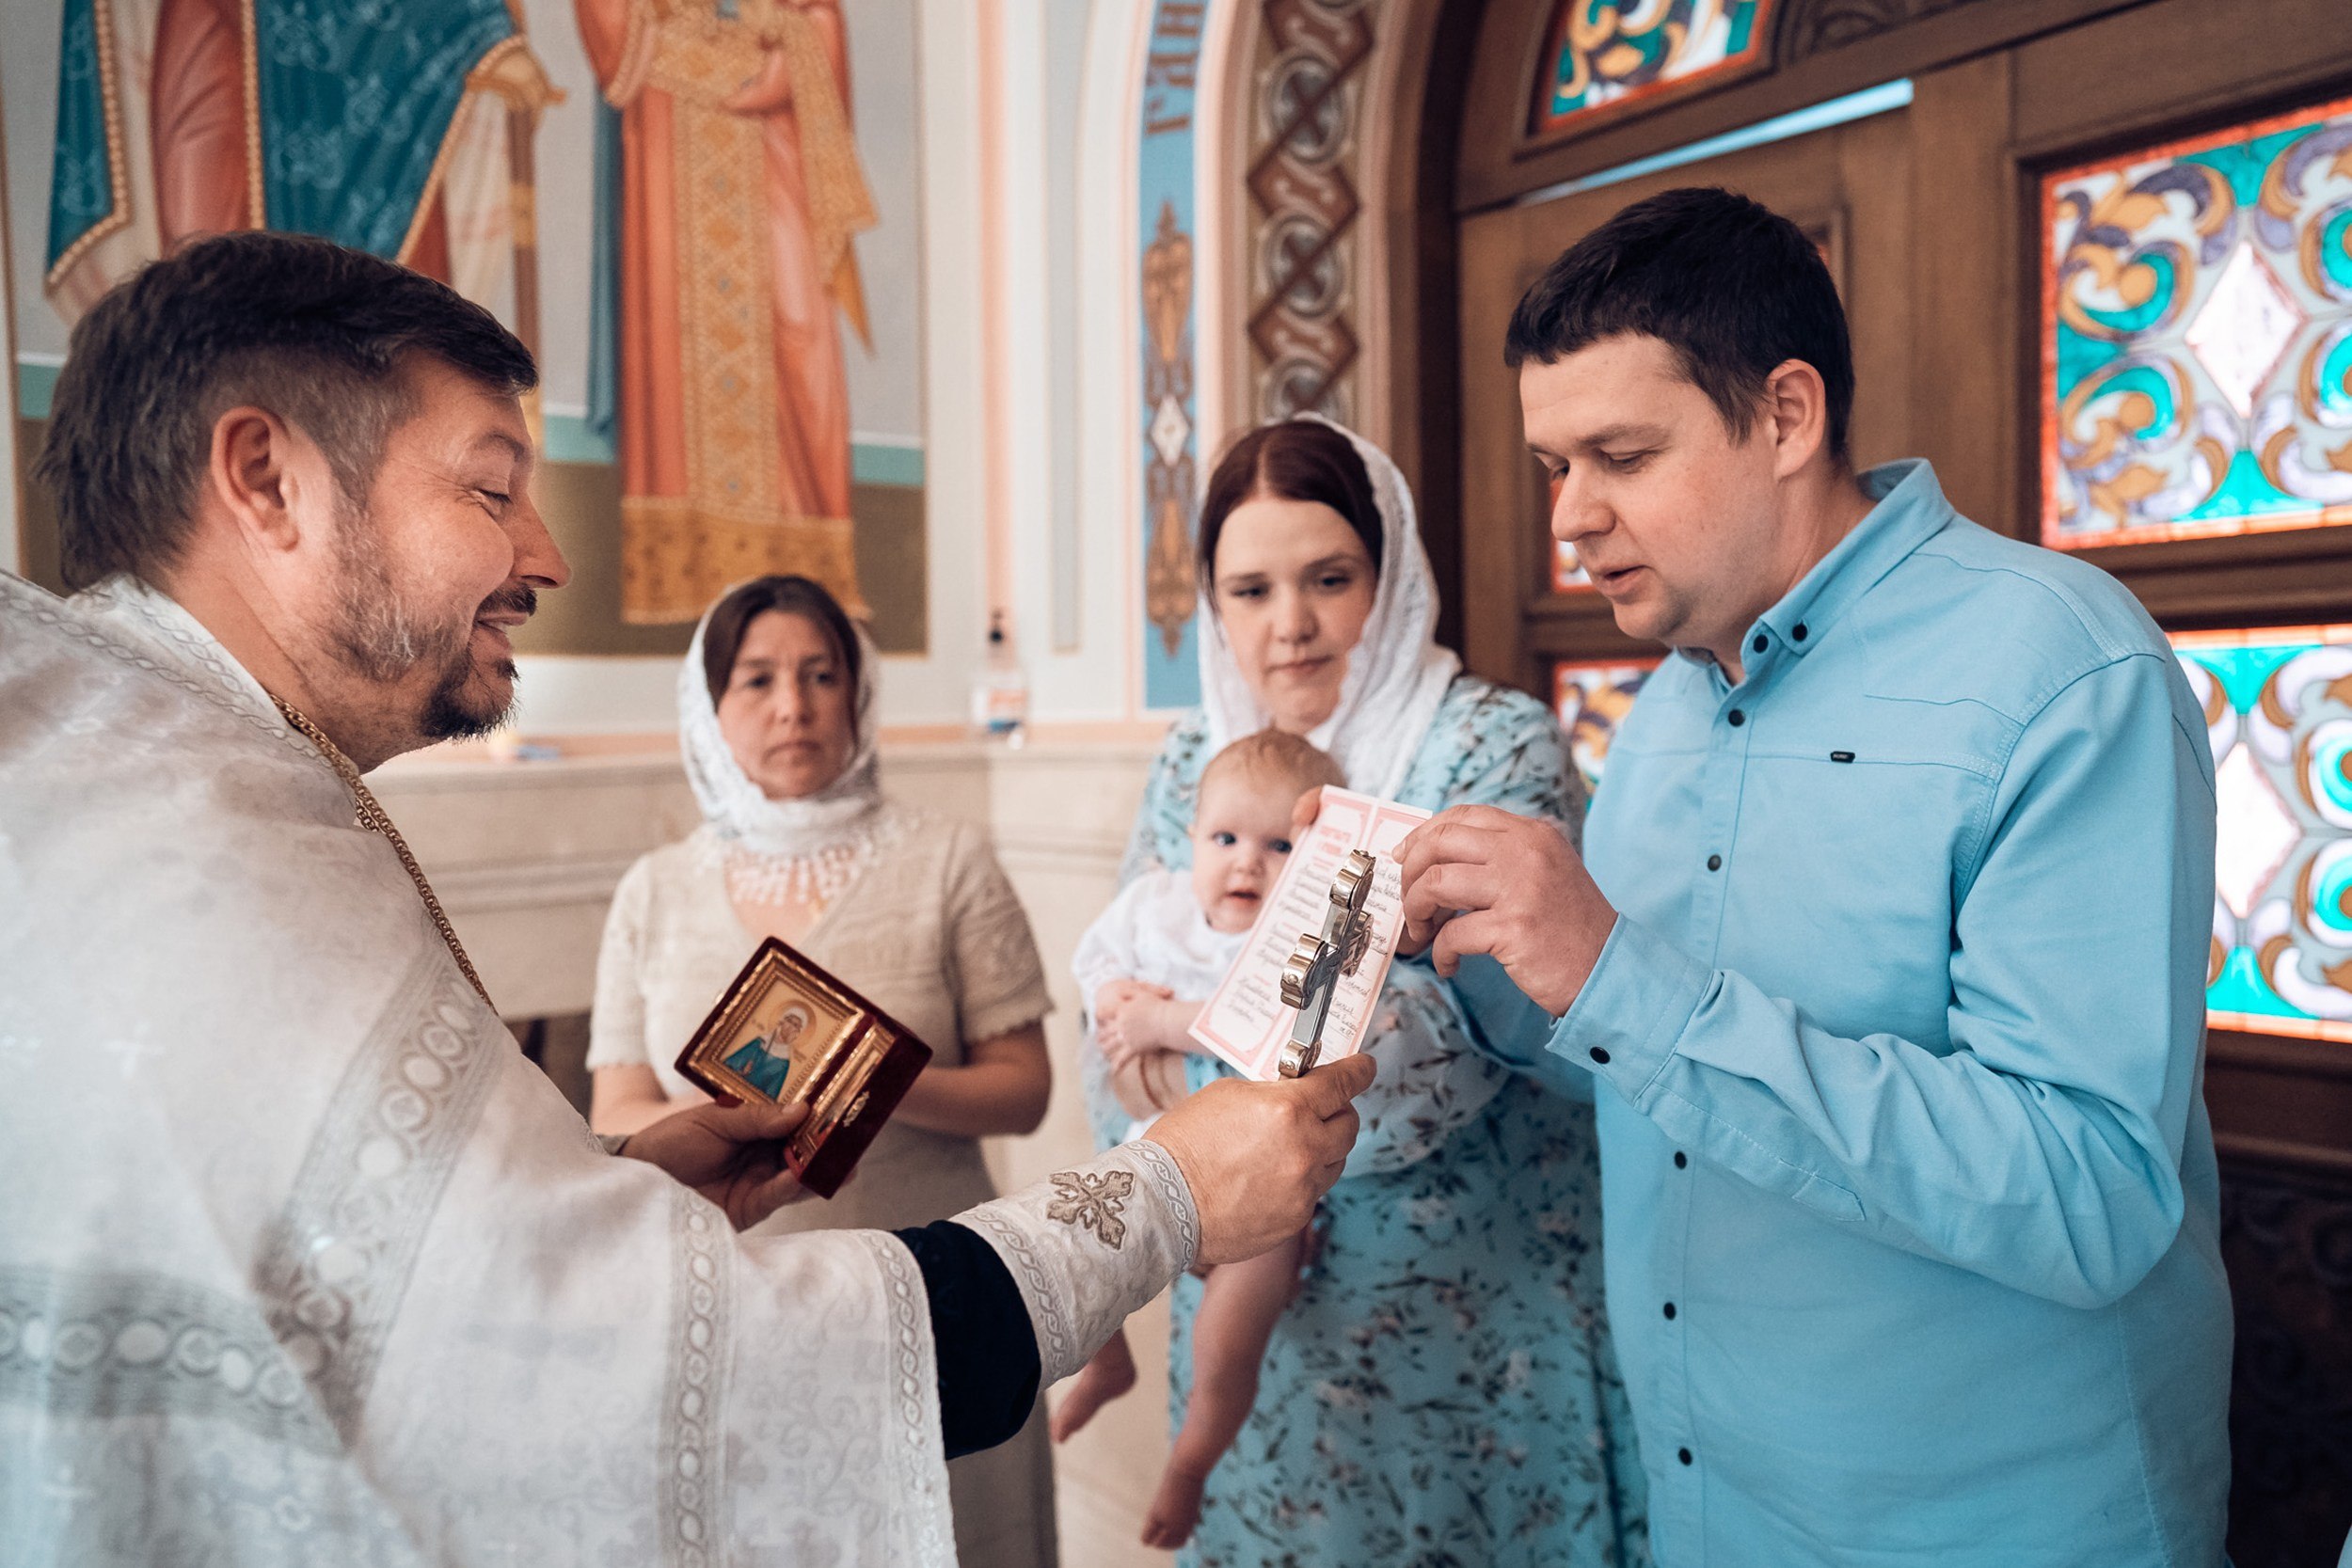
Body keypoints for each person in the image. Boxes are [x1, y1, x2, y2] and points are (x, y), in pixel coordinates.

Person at [0, 230, 1375, 1565]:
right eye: (489, 490)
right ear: (269, 479)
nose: (546, 554)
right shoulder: (218, 862)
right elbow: (640, 1382)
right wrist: (1169, 1194)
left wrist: (604, 1194)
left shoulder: (146, 779)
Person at [1398, 187, 2231, 1562]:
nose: (1573, 516)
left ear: (1787, 415)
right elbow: (1653, 1062)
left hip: (1988, 1523)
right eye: (1556, 464)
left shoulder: (2062, 670)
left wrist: (1620, 975)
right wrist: (1472, 971)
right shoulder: (1665, 696)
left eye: (1621, 453)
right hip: (1715, 1505)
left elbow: (2090, 1192)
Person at [1087, 414, 1645, 1565]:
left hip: (1474, 1313)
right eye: (1247, 589)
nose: (1286, 626)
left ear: (1386, 579)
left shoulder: (1492, 745)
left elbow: (1436, 1072)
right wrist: (1196, 1071)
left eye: (1328, 579)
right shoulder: (1196, 760)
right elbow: (1117, 1030)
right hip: (1253, 1320)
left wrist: (1201, 1061)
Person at [587, 572, 1061, 1568]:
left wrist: (882, 1073)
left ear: (860, 692)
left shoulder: (948, 860)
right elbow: (618, 1108)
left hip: (940, 1285)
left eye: (820, 674)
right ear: (710, 708)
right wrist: (741, 1113)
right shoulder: (653, 889)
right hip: (735, 1305)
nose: (793, 705)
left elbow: (1025, 1089)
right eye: (756, 679)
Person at [1056, 727, 1347, 1550]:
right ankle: (1105, 1359)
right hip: (1157, 1149)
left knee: (1228, 1337)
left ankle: (1190, 1461)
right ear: (1190, 841)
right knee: (1077, 1239)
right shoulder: (1156, 905)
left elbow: (1261, 1031)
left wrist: (1156, 1021)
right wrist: (1115, 991)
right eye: (1224, 839)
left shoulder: (1303, 938)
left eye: (1280, 845)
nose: (1246, 864)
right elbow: (1093, 958)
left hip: (1263, 1176)